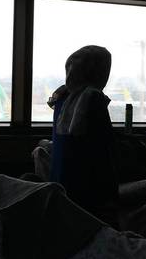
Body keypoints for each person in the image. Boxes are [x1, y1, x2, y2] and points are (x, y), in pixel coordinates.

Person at [49, 45, 119, 225]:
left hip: (61, 187)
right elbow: (104, 151)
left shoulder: (61, 98)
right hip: (89, 194)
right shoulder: (93, 99)